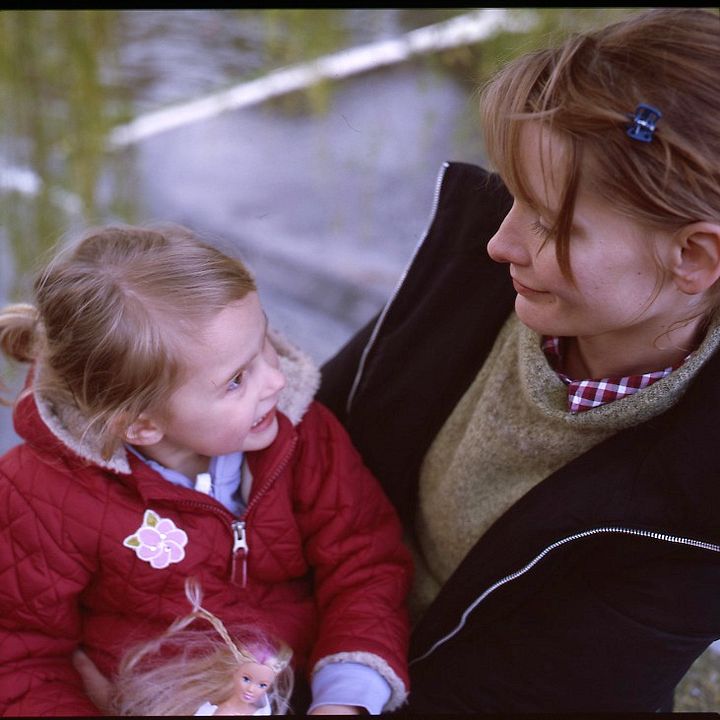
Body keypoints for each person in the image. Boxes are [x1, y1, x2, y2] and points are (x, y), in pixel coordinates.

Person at [317, 7, 720, 713]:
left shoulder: (700, 497)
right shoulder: (484, 275)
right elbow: (304, 446)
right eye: (514, 194)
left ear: (694, 256)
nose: (499, 243)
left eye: (546, 218)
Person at [0, 223, 412, 716]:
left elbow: (364, 562)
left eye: (264, 343)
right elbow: (20, 653)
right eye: (237, 380)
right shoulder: (39, 495)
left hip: (302, 689)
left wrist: (345, 695)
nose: (276, 379)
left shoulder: (300, 435)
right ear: (141, 425)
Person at [103, 578, 295, 716]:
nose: (252, 689)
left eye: (262, 685)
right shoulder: (210, 709)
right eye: (246, 679)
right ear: (234, 673)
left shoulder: (262, 709)